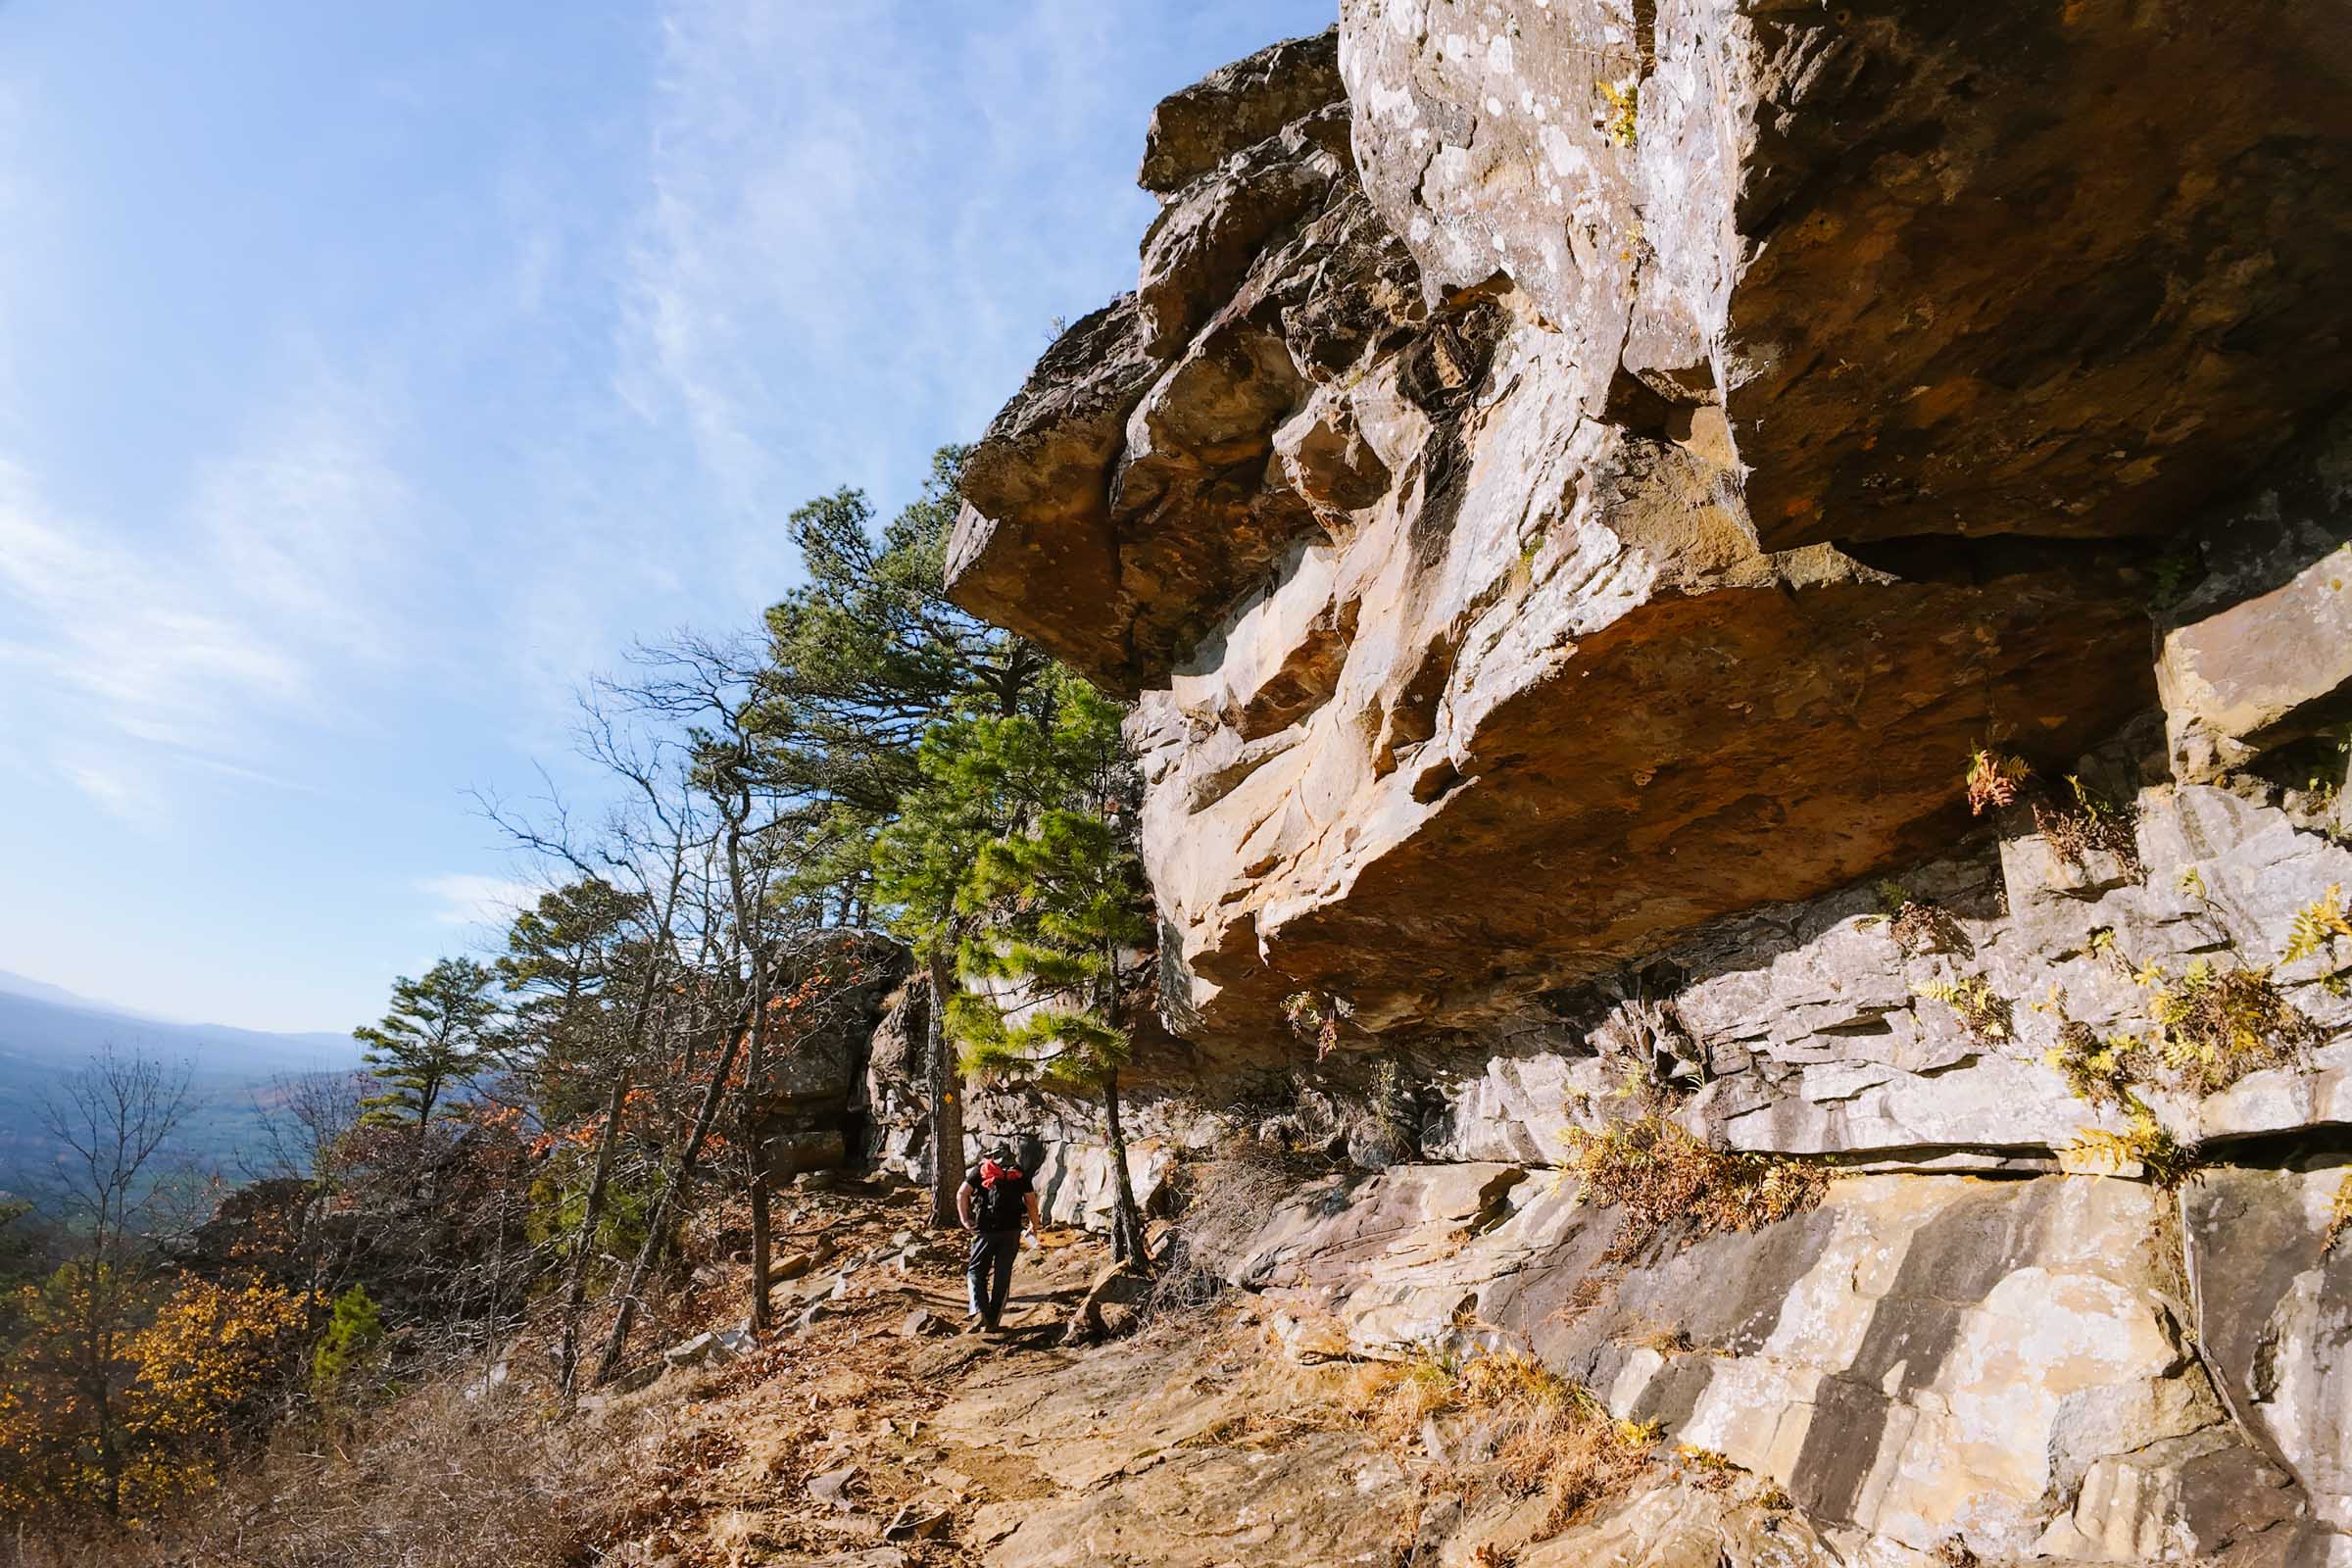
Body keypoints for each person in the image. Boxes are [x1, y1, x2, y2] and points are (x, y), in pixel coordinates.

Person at [957, 1140, 1043, 1331]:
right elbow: (1031, 1203)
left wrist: (965, 1219)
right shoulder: (1019, 1173)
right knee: (1002, 1276)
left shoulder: (982, 1170)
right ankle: (993, 1321)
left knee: (975, 1271)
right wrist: (1033, 1226)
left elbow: (961, 1194)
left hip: (986, 1230)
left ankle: (979, 1310)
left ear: (991, 1156)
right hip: (1012, 1231)